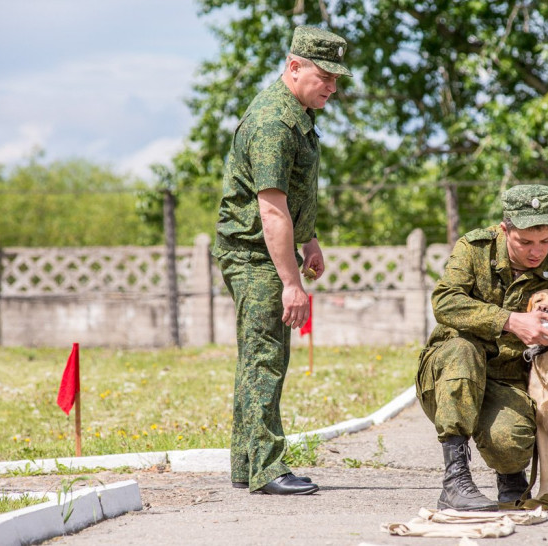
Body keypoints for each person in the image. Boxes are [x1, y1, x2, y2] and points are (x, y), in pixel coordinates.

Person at [415, 184, 548, 510]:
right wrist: (510, 320)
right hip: (450, 375)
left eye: (545, 240)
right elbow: (445, 301)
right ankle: (455, 481)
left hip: (508, 382)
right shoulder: (474, 249)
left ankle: (511, 478)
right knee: (463, 351)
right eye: (525, 242)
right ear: (504, 229)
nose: (536, 251)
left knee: (512, 442)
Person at [212, 25, 352, 496]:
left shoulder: (298, 114)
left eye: (336, 78)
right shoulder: (274, 122)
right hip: (254, 255)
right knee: (265, 359)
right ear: (294, 67)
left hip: (263, 251)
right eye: (324, 76)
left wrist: (309, 240)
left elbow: (292, 194)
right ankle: (267, 468)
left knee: (258, 356)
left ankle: (246, 463)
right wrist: (291, 283)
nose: (332, 86)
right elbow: (271, 210)